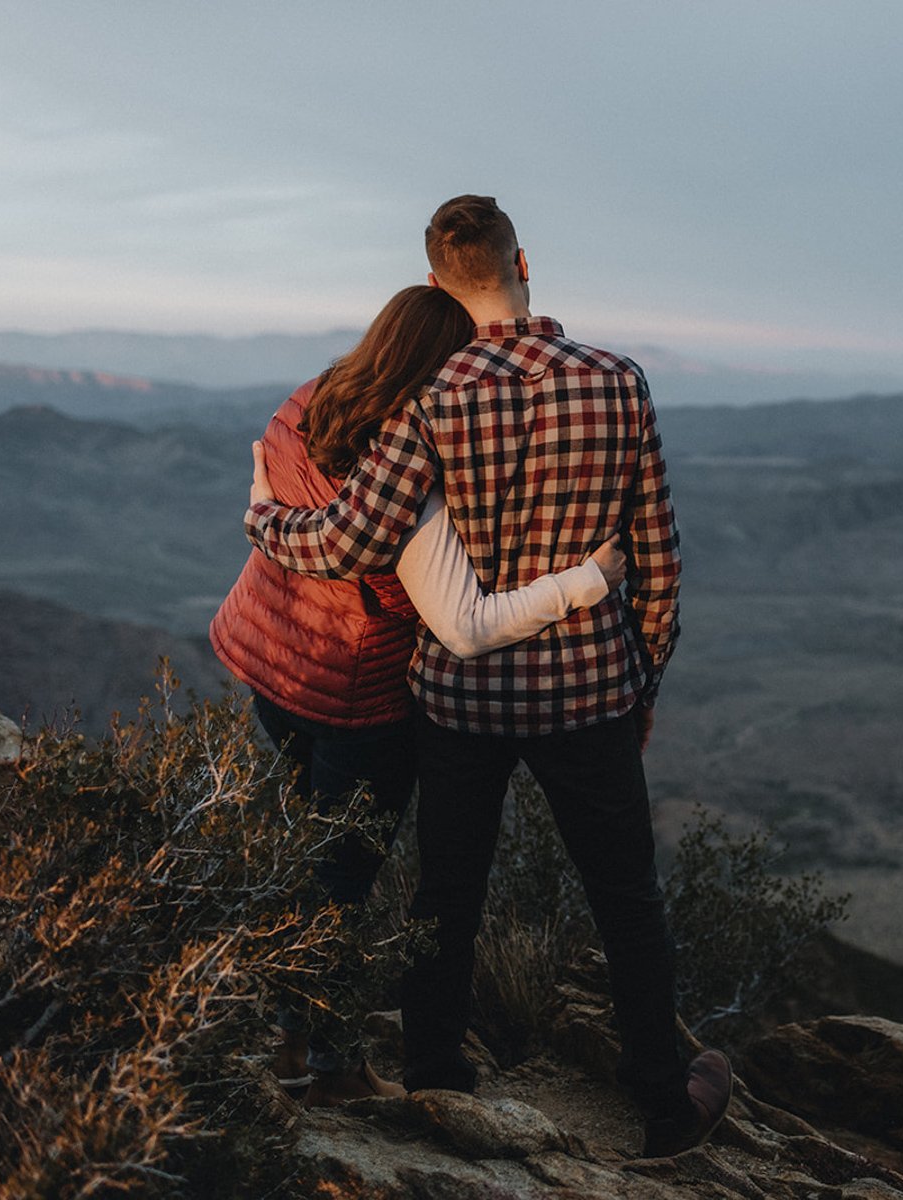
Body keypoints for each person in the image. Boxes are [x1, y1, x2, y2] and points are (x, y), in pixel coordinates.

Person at [244, 195, 728, 1158]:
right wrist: (644, 684)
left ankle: (433, 1073)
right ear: (524, 260)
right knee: (625, 896)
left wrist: (264, 521)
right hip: (589, 694)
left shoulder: (430, 393)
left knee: (446, 892)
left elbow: (353, 540)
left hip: (458, 706)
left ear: (435, 281)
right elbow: (659, 562)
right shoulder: (618, 382)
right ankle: (665, 1107)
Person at [210, 284, 625, 1106]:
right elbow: (465, 624)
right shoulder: (409, 477)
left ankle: (284, 1041)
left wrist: (259, 515)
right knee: (340, 885)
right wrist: (585, 581)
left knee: (304, 864)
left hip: (269, 669)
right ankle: (324, 1068)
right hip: (354, 702)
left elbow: (278, 506)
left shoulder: (312, 398)